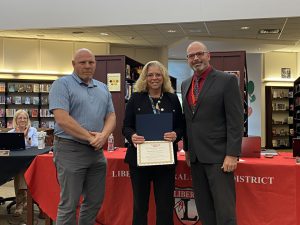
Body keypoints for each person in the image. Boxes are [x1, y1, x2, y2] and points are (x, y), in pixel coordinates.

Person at [49, 48, 116, 225]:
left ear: (95, 64)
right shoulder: (61, 85)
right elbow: (62, 119)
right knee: (69, 205)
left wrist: (103, 135)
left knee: (94, 202)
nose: (87, 66)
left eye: (91, 62)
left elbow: (111, 116)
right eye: (82, 62)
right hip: (70, 150)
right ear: (73, 64)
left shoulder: (102, 87)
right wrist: (91, 137)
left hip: (96, 152)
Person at [181, 41, 243, 225]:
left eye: (199, 54)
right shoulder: (185, 84)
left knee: (225, 212)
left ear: (209, 55)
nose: (196, 58)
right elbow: (188, 120)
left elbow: (236, 120)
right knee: (204, 209)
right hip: (196, 159)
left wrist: (232, 154)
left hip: (220, 157)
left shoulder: (227, 80)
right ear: (188, 60)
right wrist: (188, 149)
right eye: (191, 56)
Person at [122, 60, 184, 225]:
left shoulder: (172, 99)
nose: (154, 78)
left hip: (165, 162)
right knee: (140, 206)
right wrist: (132, 136)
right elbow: (126, 127)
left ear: (163, 77)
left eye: (158, 74)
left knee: (165, 206)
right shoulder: (136, 98)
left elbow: (181, 126)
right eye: (150, 75)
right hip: (140, 161)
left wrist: (175, 134)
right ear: (145, 77)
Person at [9, 109, 38, 216]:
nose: (22, 120)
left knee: (20, 172)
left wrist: (25, 136)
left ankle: (20, 203)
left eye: (25, 118)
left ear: (28, 119)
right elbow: (9, 148)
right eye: (20, 118)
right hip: (17, 162)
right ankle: (23, 200)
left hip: (31, 161)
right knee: (19, 171)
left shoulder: (33, 130)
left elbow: (34, 145)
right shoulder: (11, 133)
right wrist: (18, 134)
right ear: (16, 119)